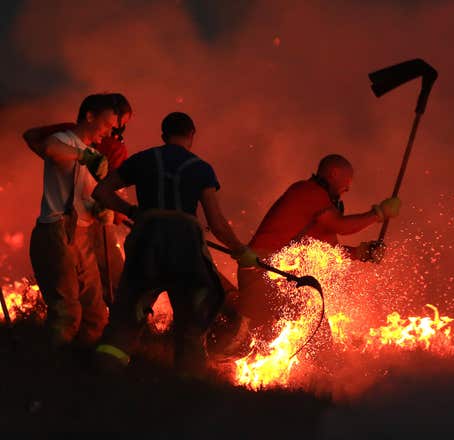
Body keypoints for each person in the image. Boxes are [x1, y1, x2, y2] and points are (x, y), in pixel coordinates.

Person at [91, 112, 258, 377]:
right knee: (191, 324)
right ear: (191, 135)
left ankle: (103, 377)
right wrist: (241, 251)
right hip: (186, 250)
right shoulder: (200, 168)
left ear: (163, 135)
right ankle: (186, 390)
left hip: (145, 244)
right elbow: (216, 222)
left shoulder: (143, 159)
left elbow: (100, 192)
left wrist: (134, 212)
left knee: (125, 316)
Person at [235, 154, 400, 338]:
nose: (348, 188)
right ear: (334, 173)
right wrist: (379, 214)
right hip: (261, 270)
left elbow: (331, 250)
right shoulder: (308, 192)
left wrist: (362, 252)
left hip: (271, 273)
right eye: (348, 181)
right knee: (253, 337)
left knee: (312, 327)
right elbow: (340, 226)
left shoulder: (316, 210)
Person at [25, 93, 118, 349]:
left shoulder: (94, 155)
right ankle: (54, 370)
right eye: (107, 125)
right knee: (67, 314)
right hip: (57, 231)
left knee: (96, 315)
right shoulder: (63, 141)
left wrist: (100, 209)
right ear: (89, 116)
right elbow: (50, 150)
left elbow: (85, 198)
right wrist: (86, 158)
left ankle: (82, 373)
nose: (109, 132)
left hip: (84, 236)